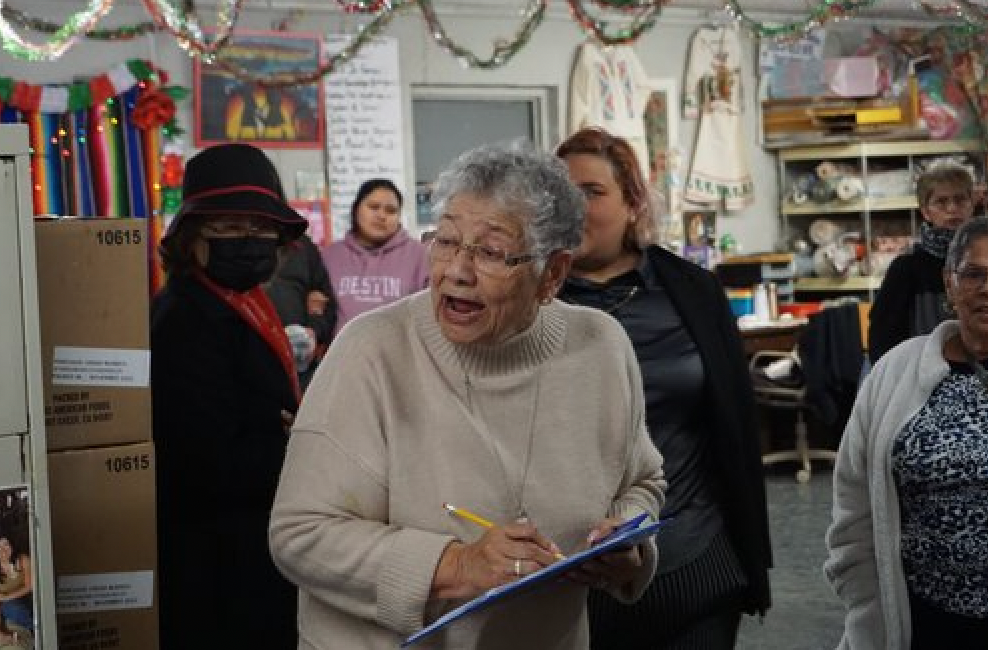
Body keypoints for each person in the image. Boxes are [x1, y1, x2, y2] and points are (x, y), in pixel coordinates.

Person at [269, 141, 666, 649]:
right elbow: (300, 535)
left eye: (491, 252)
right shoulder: (373, 350)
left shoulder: (600, 347)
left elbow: (643, 481)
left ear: (554, 274)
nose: (457, 270)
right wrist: (456, 565)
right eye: (446, 241)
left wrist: (628, 540)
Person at [556, 126, 772, 649]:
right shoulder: (529, 300)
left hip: (694, 561)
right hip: (570, 577)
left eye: (591, 192)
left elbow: (736, 427)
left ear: (633, 203)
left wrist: (750, 557)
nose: (573, 207)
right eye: (559, 194)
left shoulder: (691, 291)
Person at [152, 143, 307, 650]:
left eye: (262, 227)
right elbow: (203, 462)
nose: (251, 240)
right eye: (231, 227)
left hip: (251, 547)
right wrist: (295, 444)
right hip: (215, 562)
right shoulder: (186, 318)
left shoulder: (245, 300)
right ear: (194, 236)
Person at [825, 216, 988, 649]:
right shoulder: (897, 372)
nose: (986, 289)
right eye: (974, 274)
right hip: (921, 622)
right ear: (949, 284)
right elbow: (853, 505)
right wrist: (865, 607)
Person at [868, 162, 976, 363]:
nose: (952, 209)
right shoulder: (906, 268)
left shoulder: (983, 261)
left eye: (960, 200)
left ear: (972, 204)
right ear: (926, 211)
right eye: (941, 202)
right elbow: (882, 342)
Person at [322, 178, 429, 335]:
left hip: (401, 357)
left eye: (391, 210)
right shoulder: (330, 256)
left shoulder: (420, 256)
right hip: (342, 356)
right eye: (373, 207)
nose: (381, 215)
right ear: (356, 209)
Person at [265, 233, 337, 389]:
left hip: (298, 366)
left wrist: (314, 329)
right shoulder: (235, 242)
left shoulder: (302, 244)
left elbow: (326, 302)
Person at [0, 536, 32, 650]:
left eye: (5, 544)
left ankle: (32, 631)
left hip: (23, 602)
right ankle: (5, 638)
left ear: (11, 544)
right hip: (3, 608)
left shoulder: (22, 559)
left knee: (12, 607)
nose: (2, 549)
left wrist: (6, 598)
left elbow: (30, 586)